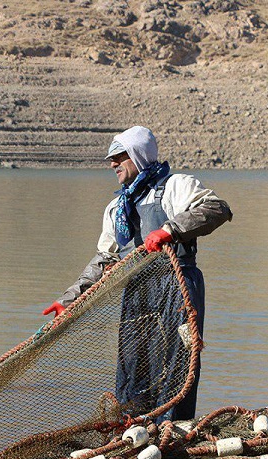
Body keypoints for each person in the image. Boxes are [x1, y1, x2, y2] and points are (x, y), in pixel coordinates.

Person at [41, 126, 232, 420]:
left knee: (176, 362)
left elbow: (217, 209)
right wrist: (69, 300)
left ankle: (171, 429)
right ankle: (135, 429)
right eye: (111, 158)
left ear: (139, 156)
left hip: (177, 286)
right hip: (138, 292)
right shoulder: (117, 207)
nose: (112, 164)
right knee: (134, 363)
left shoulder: (176, 186)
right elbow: (106, 258)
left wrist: (170, 230)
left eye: (120, 156)